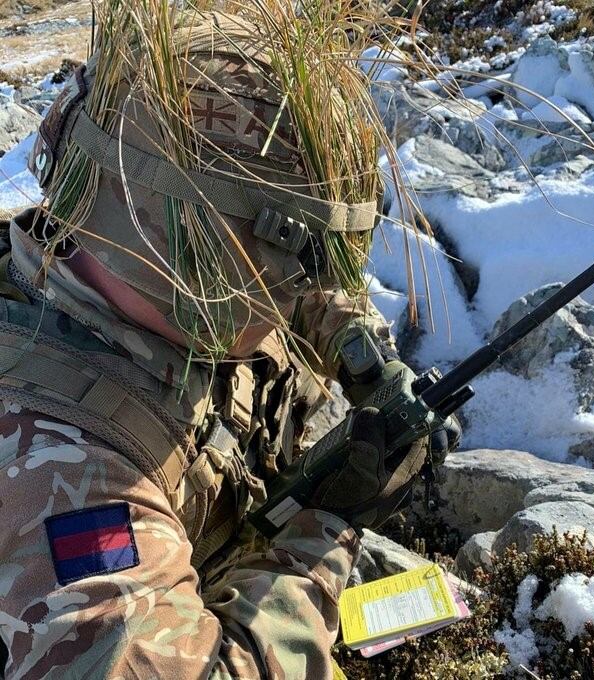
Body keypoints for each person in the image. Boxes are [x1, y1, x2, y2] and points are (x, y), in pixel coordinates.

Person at [0, 9, 460, 679]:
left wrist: (364, 356)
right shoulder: (59, 475)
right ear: (187, 262)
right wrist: (323, 535)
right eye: (262, 279)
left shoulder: (142, 264)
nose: (283, 305)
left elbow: (304, 277)